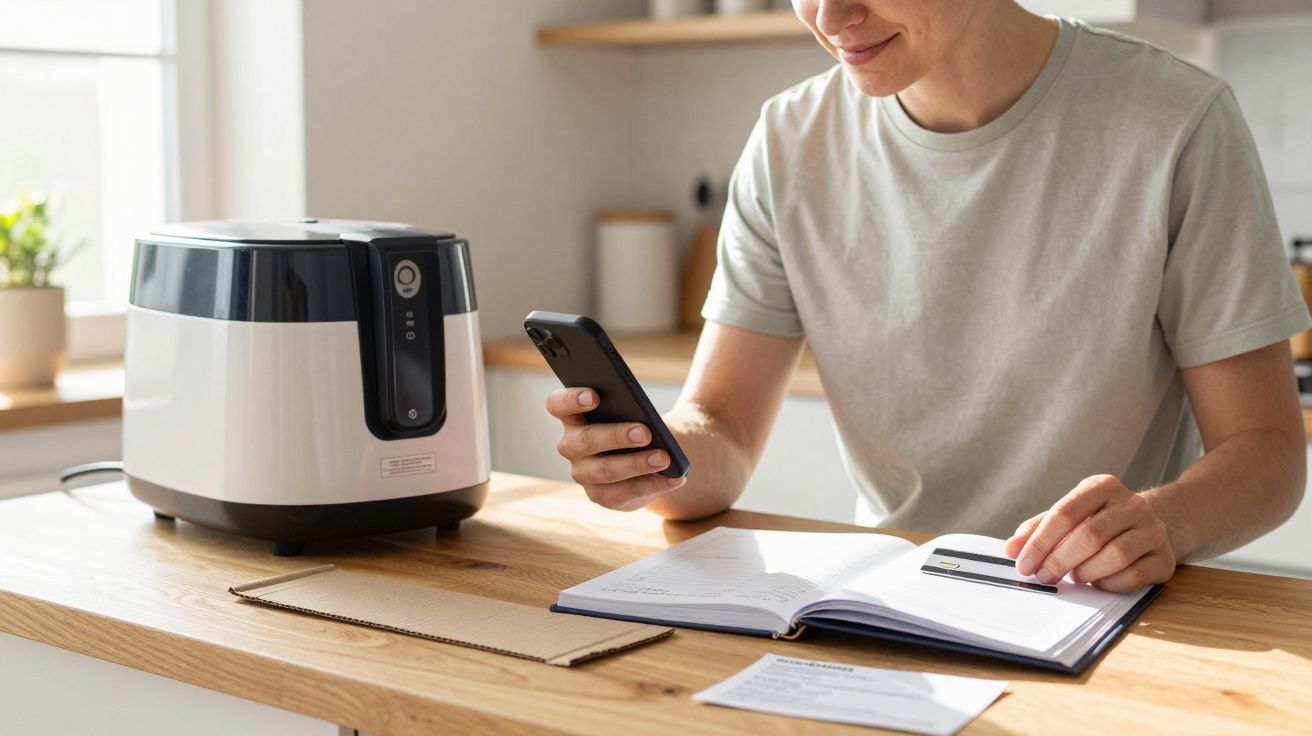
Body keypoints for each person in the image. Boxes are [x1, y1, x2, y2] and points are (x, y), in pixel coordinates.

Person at [545, 0, 1309, 593]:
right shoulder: (787, 143)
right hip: (885, 601)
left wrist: (1162, 522)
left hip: (1099, 606)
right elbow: (726, 432)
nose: (829, 17)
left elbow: (1269, 453)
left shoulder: (1177, 123)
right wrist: (653, 462)